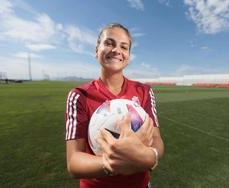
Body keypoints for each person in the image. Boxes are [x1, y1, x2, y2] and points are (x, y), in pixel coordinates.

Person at [65, 23, 164, 188]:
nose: (116, 50)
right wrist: (112, 164)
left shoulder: (144, 91)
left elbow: (156, 140)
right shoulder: (79, 95)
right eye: (109, 43)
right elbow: (74, 163)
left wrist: (151, 156)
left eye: (124, 47)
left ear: (128, 56)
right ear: (97, 50)